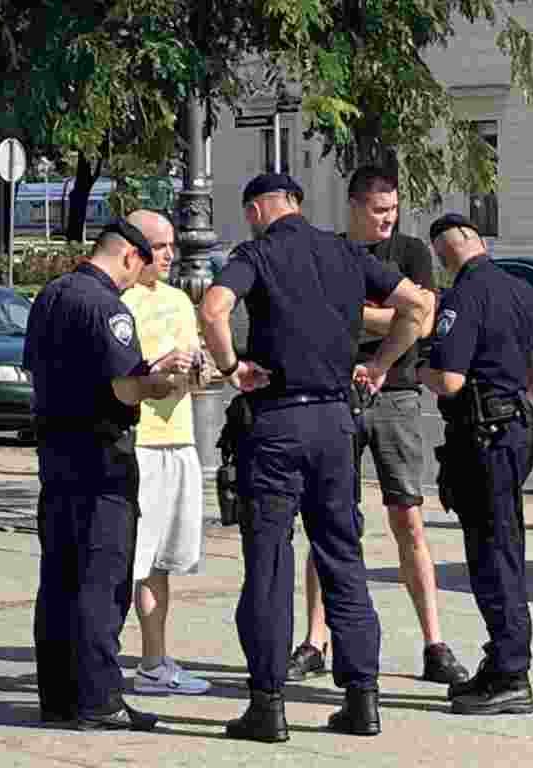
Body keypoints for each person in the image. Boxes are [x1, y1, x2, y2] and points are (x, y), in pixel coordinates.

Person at [199, 173, 434, 742]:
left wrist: (233, 370)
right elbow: (419, 304)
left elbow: (212, 310)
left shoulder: (255, 253)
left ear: (257, 210)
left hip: (278, 419)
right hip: (336, 421)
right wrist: (381, 362)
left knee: (270, 562)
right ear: (299, 205)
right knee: (342, 557)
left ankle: (268, 703)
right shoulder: (345, 252)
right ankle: (362, 699)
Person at [286, 166, 468, 687]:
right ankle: (314, 640)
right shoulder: (332, 251)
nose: (387, 219)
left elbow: (424, 319)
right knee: (329, 519)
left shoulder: (411, 253)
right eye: (378, 210)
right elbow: (321, 317)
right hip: (338, 393)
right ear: (354, 206)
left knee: (407, 515)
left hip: (398, 393)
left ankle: (434, 642)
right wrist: (388, 312)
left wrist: (356, 313)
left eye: (393, 209)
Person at [24, 217, 195, 731]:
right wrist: (164, 376)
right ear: (127, 256)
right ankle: (99, 700)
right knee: (102, 581)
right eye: (138, 268)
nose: (134, 280)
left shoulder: (51, 296)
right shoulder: (106, 305)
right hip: (102, 462)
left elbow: (40, 369)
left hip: (56, 456)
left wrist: (147, 369)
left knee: (58, 579)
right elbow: (125, 387)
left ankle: (58, 697)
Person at [417, 213, 533, 716]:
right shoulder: (516, 289)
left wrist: (419, 366)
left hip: (484, 438)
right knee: (505, 546)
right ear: (478, 242)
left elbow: (448, 380)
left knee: (493, 555)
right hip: (512, 429)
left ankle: (511, 672)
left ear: (443, 254)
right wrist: (530, 386)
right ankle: (503, 660)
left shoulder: (464, 295)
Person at [120, 210, 212, 695]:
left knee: (161, 562)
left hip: (179, 439)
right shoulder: (118, 299)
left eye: (174, 245)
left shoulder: (178, 299)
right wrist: (159, 366)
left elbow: (198, 375)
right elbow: (121, 377)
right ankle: (97, 657)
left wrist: (201, 367)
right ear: (136, 247)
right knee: (127, 558)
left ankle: (154, 663)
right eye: (161, 246)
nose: (171, 254)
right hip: (139, 444)